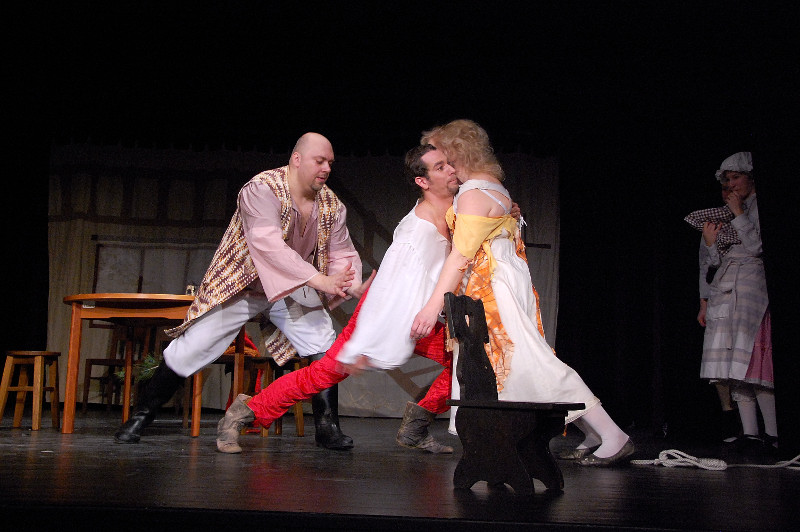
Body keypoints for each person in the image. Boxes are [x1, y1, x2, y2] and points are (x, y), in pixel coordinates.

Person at [114, 132, 366, 450]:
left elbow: (342, 251)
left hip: (292, 285)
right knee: (192, 348)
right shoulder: (262, 188)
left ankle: (327, 427)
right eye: (320, 161)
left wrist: (351, 283)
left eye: (330, 162)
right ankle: (141, 416)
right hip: (244, 283)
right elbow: (267, 245)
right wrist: (319, 280)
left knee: (323, 343)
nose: (327, 168)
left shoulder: (330, 204)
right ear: (297, 159)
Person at [408, 119, 634, 467]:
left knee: (530, 361)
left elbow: (461, 256)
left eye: (442, 154)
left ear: (457, 152)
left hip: (492, 287)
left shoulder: (472, 193)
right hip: (504, 279)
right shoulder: (489, 185)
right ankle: (588, 430)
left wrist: (432, 306)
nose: (441, 162)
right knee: (519, 361)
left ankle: (612, 434)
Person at [216, 144, 462, 455]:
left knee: (463, 364)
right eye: (440, 167)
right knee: (324, 373)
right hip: (385, 311)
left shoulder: (457, 209)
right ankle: (243, 413)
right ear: (422, 181)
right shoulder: (416, 231)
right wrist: (364, 340)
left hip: (418, 313)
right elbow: (388, 289)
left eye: (449, 163)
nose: (451, 170)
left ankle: (416, 427)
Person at [696, 152, 777, 452]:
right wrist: (710, 243)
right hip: (724, 289)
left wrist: (739, 213)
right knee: (733, 367)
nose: (730, 185)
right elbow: (711, 262)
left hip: (751, 289)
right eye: (726, 180)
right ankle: (750, 433)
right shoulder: (724, 212)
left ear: (751, 178)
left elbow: (757, 247)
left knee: (753, 364)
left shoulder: (754, 208)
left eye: (735, 177)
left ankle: (773, 434)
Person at [689, 184, 740, 441]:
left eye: (735, 180)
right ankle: (730, 417)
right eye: (724, 185)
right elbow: (706, 266)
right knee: (718, 360)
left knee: (742, 358)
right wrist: (704, 302)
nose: (728, 189)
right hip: (719, 296)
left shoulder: (749, 220)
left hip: (744, 294)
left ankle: (753, 425)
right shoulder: (712, 222)